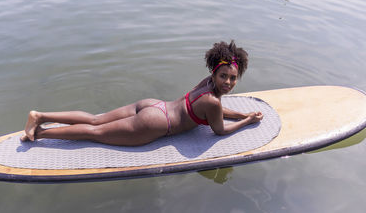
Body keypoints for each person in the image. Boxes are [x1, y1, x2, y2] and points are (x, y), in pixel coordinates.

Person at [21, 40, 263, 146]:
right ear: (215, 73)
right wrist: (248, 121)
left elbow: (218, 111)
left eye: (233, 78)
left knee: (96, 119)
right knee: (95, 132)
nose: (229, 82)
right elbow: (219, 130)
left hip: (153, 106)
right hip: (155, 124)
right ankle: (39, 134)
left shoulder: (207, 85)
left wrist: (241, 115)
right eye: (224, 76)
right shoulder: (213, 102)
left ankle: (39, 115)